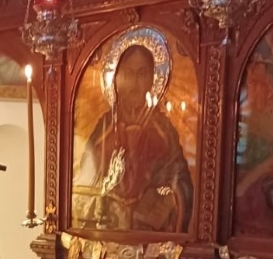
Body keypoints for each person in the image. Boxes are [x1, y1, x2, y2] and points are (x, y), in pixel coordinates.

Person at [75, 44, 193, 232]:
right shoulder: (105, 126)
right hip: (107, 228)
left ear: (151, 80)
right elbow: (85, 179)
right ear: (117, 80)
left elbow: (182, 184)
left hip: (149, 233)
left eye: (142, 74)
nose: (135, 83)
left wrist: (163, 197)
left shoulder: (163, 130)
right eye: (128, 74)